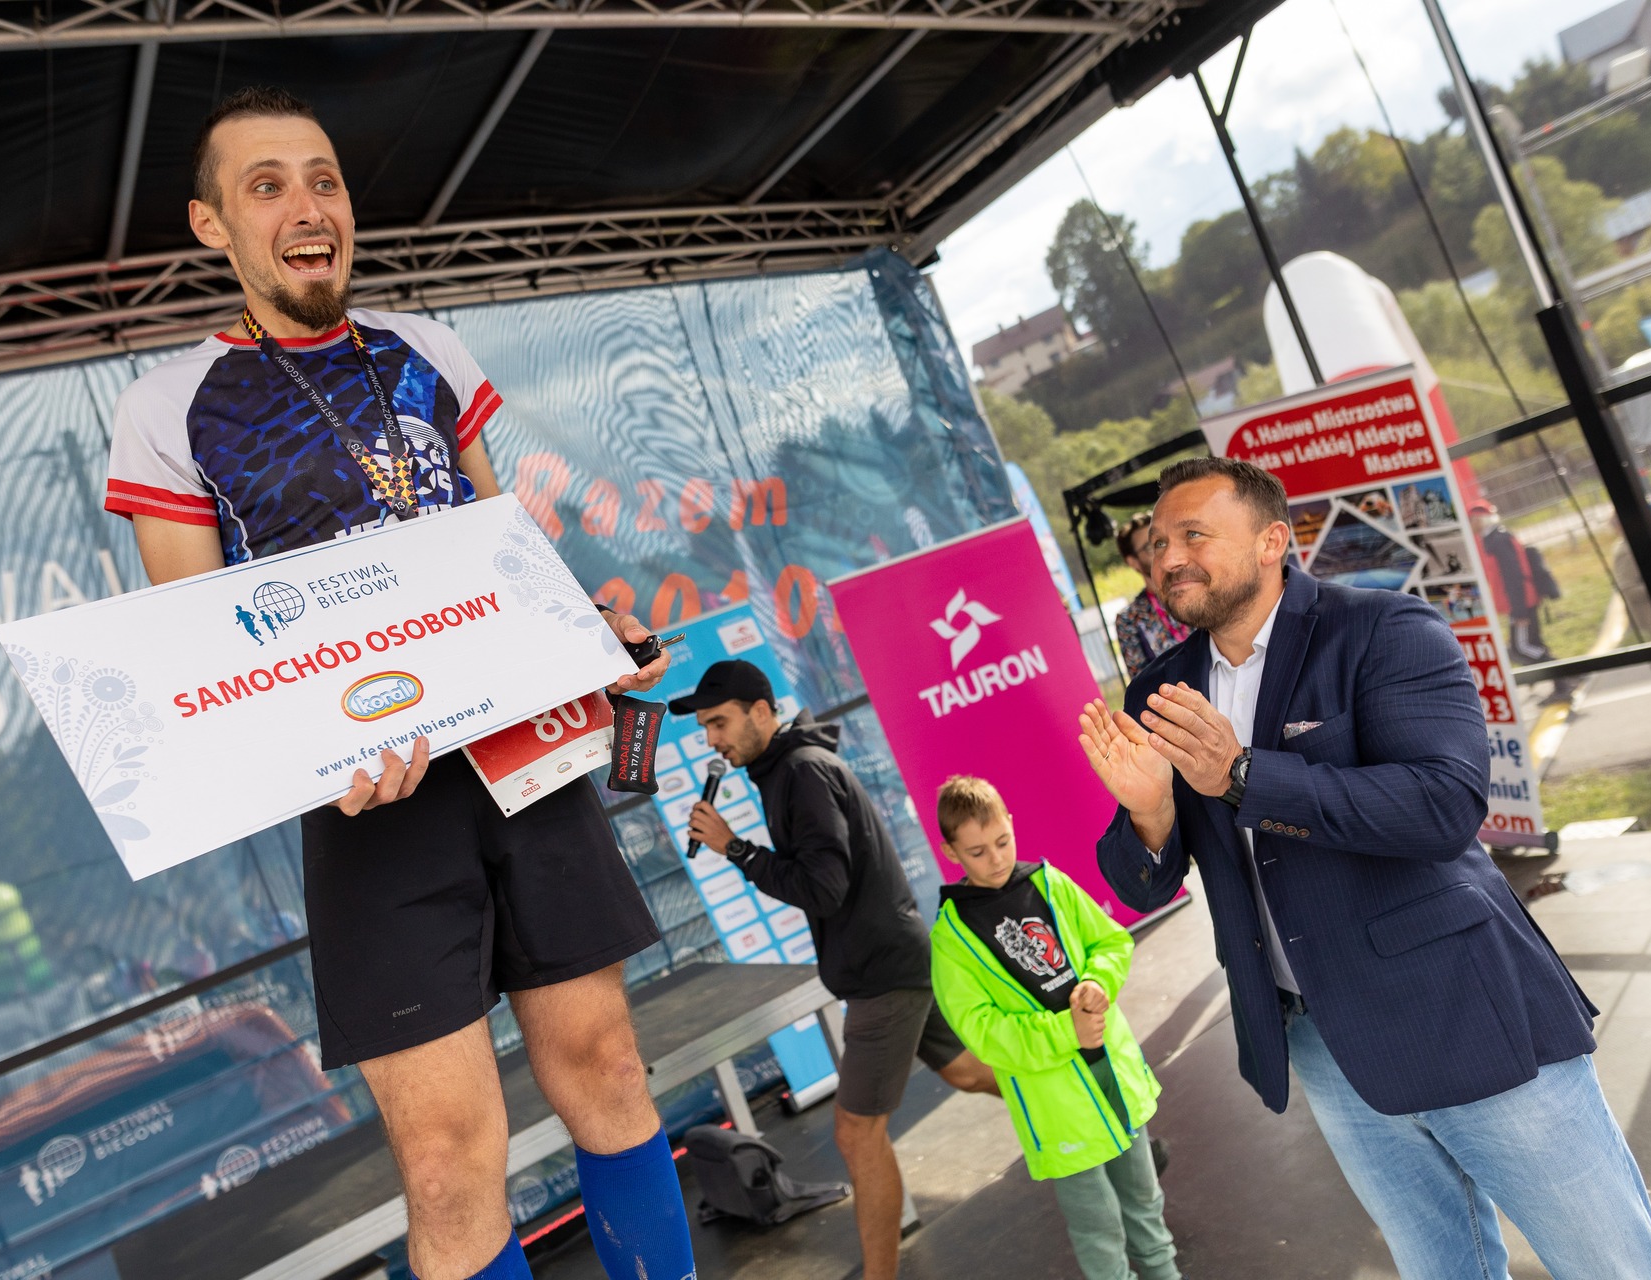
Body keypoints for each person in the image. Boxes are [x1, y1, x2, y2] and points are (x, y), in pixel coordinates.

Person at [103, 87, 693, 1280]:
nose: (307, 206)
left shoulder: (424, 348)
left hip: (524, 757)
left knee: (611, 1068)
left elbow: (503, 555)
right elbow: (201, 646)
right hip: (371, 802)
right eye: (266, 185)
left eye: (323, 180)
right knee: (446, 1162)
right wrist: (311, 755)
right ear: (212, 225)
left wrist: (586, 632)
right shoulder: (167, 407)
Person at [1077, 456, 1651, 1279]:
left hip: (1462, 1010)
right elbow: (1142, 882)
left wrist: (1243, 775)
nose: (1168, 557)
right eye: (1158, 542)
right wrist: (1150, 812)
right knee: (1442, 1268)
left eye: (1194, 535)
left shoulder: (1383, 630)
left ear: (1271, 542)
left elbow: (1444, 805)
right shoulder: (1161, 686)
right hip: (1322, 1042)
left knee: (1611, 1264)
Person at [679, 660, 998, 1280]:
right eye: (706, 729)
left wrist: (736, 849)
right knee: (969, 1071)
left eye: (719, 723)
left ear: (761, 712)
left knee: (855, 1134)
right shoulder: (788, 770)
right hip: (893, 958)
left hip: (883, 973)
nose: (712, 740)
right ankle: (1108, 1124)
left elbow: (823, 888)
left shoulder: (800, 773)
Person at [929, 776, 1181, 1280]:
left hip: (1113, 1074)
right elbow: (984, 1033)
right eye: (977, 852)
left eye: (1003, 841)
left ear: (1011, 824)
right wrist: (1068, 1032)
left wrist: (1097, 982)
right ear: (950, 852)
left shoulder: (1050, 883)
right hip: (1057, 1108)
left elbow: (1111, 942)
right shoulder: (950, 939)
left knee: (1144, 1197)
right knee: (1098, 1225)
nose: (996, 858)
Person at [1471, 498, 1555, 663]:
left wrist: (1519, 611)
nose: (1469, 525)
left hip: (1521, 601)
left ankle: (1560, 669)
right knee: (1530, 644)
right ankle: (1559, 673)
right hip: (1520, 600)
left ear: (1479, 520)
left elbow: (1513, 576)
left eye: (1470, 520)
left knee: (1520, 648)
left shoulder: (1498, 541)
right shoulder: (1496, 538)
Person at [1111, 512, 1191, 681]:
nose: (1159, 551)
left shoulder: (1194, 589)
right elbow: (1141, 681)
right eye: (1149, 547)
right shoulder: (1129, 619)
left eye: (1160, 543)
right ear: (1133, 561)